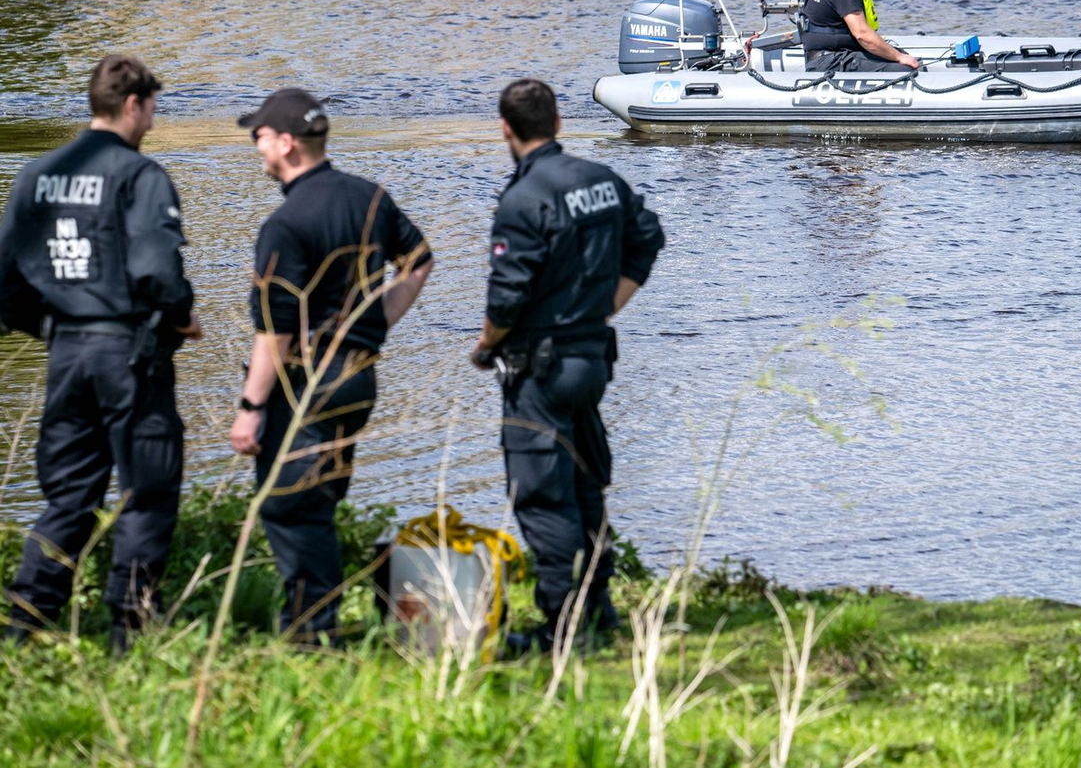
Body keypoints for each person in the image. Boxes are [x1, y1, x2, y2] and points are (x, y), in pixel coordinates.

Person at [0, 54, 201, 650]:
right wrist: (178, 317)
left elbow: (4, 286)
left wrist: (54, 328)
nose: (154, 122)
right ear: (134, 104)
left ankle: (24, 628)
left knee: (69, 496)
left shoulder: (36, 175)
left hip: (66, 353)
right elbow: (159, 271)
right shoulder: (140, 177)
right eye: (153, 109)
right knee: (147, 488)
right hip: (131, 355)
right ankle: (129, 632)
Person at [229, 88, 432, 643]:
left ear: (288, 143)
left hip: (308, 387)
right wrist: (373, 325)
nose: (257, 147)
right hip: (357, 378)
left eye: (261, 138)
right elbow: (418, 262)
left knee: (291, 507)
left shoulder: (286, 224)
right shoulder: (370, 198)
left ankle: (310, 636)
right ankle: (318, 625)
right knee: (320, 498)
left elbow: (274, 332)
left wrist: (250, 408)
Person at [471, 79, 664, 653]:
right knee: (584, 483)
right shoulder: (600, 180)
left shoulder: (522, 199)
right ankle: (598, 606)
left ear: (506, 129)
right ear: (556, 121)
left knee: (542, 492)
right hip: (591, 358)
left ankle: (562, 626)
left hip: (542, 367)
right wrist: (606, 307)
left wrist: (485, 346)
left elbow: (506, 297)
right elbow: (647, 239)